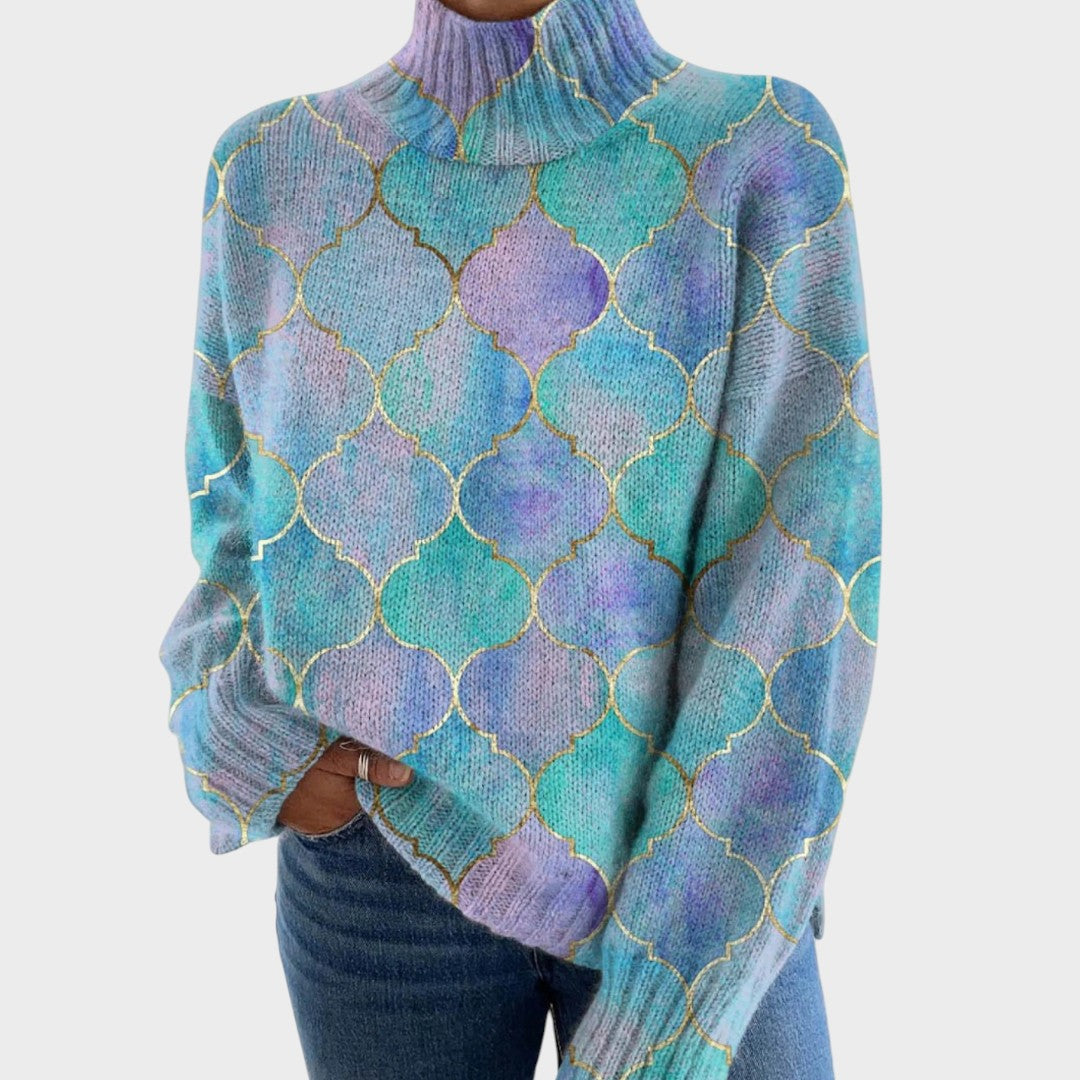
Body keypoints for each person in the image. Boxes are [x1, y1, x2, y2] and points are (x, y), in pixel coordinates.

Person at [160, 0, 880, 1076]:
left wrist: (683, 971)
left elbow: (803, 582)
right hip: (379, 874)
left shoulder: (757, 151)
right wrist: (242, 734)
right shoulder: (271, 171)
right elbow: (230, 519)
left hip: (704, 874)